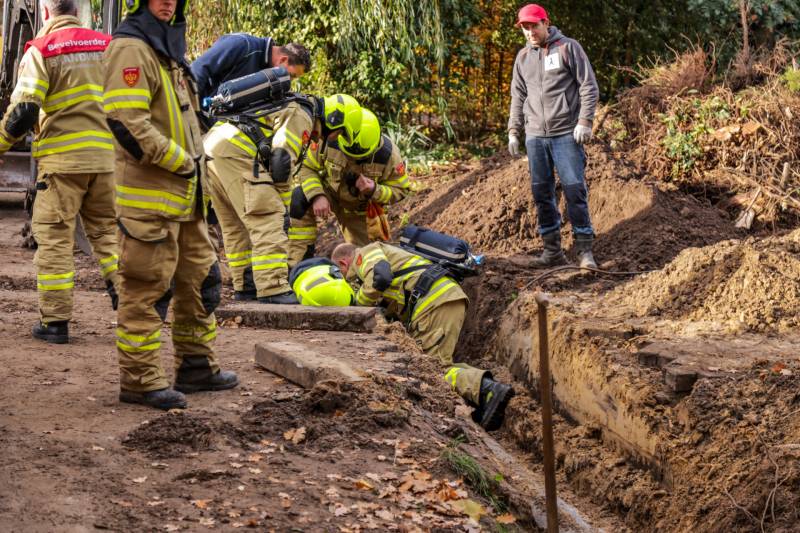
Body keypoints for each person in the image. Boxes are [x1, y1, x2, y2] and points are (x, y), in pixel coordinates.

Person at [103, 0, 237, 410]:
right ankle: (141, 381)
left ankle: (196, 366)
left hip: (186, 199)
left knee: (200, 283)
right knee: (146, 292)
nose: (168, 3)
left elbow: (181, 118)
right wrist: (180, 160)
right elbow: (127, 121)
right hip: (151, 202)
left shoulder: (165, 51)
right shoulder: (131, 48)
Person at [0, 0, 119, 344]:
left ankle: (55, 323)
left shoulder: (43, 49)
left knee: (54, 240)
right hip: (104, 160)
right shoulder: (106, 46)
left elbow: (23, 112)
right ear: (78, 12)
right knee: (107, 236)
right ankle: (129, 303)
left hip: (63, 164)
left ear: (47, 13)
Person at [331, 241, 514, 431]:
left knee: (429, 370)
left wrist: (356, 305)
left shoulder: (366, 253)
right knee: (436, 364)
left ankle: (487, 390)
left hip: (434, 302)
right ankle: (477, 402)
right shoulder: (383, 255)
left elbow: (382, 277)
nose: (344, 280)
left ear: (344, 263)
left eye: (340, 274)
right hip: (439, 298)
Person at [203, 93, 360, 304]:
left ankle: (246, 286)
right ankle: (272, 288)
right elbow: (281, 160)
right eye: (338, 133)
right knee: (268, 218)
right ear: (333, 120)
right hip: (235, 154)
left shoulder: (291, 106)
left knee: (235, 225)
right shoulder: (302, 116)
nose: (332, 139)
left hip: (212, 150)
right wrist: (283, 206)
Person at [507, 3, 599, 269]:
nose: (530, 32)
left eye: (534, 25)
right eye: (525, 27)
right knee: (542, 193)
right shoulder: (523, 58)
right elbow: (518, 96)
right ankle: (552, 251)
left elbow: (588, 86)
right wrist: (514, 131)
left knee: (574, 190)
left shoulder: (568, 48)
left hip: (566, 134)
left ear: (546, 23)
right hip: (535, 137)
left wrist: (585, 121)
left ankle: (584, 251)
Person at [287, 109, 412, 265]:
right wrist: (317, 195)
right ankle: (298, 264)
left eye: (358, 158)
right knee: (299, 197)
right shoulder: (331, 138)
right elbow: (306, 166)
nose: (352, 160)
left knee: (366, 262)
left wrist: (374, 189)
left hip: (360, 212)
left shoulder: (388, 155)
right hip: (330, 194)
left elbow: (401, 190)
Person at [191, 34, 310, 101]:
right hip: (196, 118)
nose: (289, 80)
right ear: (283, 59)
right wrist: (192, 109)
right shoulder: (242, 45)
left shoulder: (270, 78)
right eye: (291, 75)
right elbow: (198, 69)